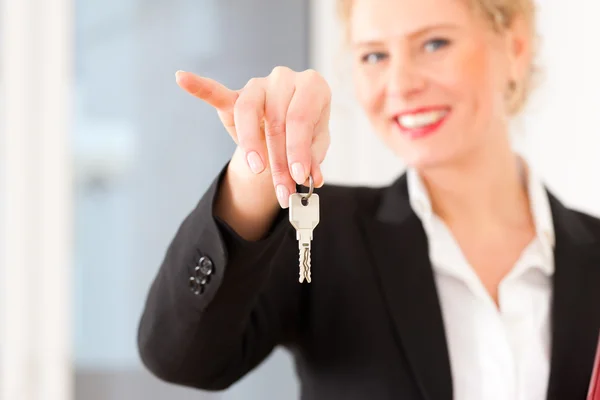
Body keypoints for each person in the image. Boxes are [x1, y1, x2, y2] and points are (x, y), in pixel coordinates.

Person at [137, 0, 600, 398]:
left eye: (435, 44)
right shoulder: (324, 234)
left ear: (515, 48)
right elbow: (180, 357)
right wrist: (259, 167)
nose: (400, 84)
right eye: (374, 55)